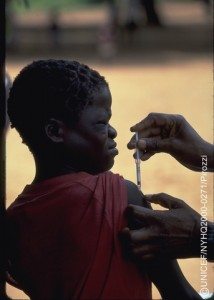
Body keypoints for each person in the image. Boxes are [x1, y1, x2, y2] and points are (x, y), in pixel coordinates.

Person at [6, 61, 202, 300]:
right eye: (101, 123)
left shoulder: (14, 220)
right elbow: (180, 293)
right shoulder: (120, 196)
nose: (113, 132)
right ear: (55, 132)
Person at [121, 112, 214, 261]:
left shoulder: (128, 192)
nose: (112, 131)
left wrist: (202, 236)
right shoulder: (124, 192)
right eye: (100, 122)